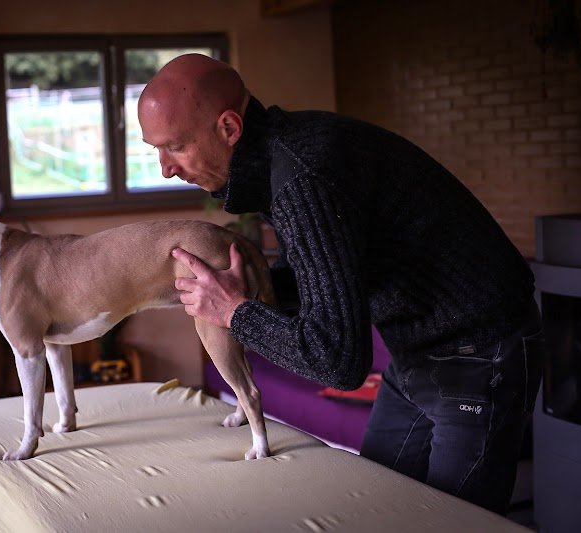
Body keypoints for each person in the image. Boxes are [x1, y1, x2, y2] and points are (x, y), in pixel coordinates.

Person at [137, 53, 545, 515]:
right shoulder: (282, 157)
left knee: (454, 524)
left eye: (174, 147)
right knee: (375, 507)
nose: (166, 168)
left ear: (229, 129)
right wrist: (248, 288)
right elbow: (321, 276)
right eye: (155, 150)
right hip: (416, 353)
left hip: (481, 350)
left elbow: (339, 362)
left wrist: (235, 313)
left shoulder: (304, 174)